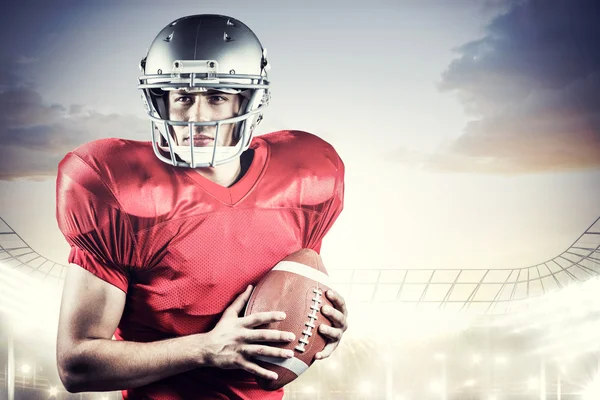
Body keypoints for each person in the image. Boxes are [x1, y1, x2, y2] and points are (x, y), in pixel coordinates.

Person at [55, 14, 347, 400]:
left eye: (217, 97)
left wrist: (317, 322)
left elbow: (288, 293)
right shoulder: (117, 185)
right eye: (183, 98)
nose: (197, 117)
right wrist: (205, 350)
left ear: (249, 100)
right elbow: (77, 365)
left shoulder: (306, 175)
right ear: (160, 100)